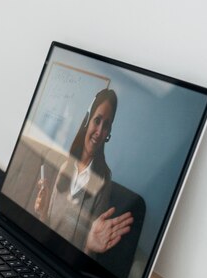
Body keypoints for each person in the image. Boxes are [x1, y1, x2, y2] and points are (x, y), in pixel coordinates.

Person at [33, 88, 133, 257]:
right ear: (87, 121)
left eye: (106, 125)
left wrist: (89, 246)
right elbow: (46, 232)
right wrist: (43, 213)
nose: (100, 131)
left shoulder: (102, 180)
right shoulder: (66, 165)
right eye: (97, 120)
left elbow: (88, 254)